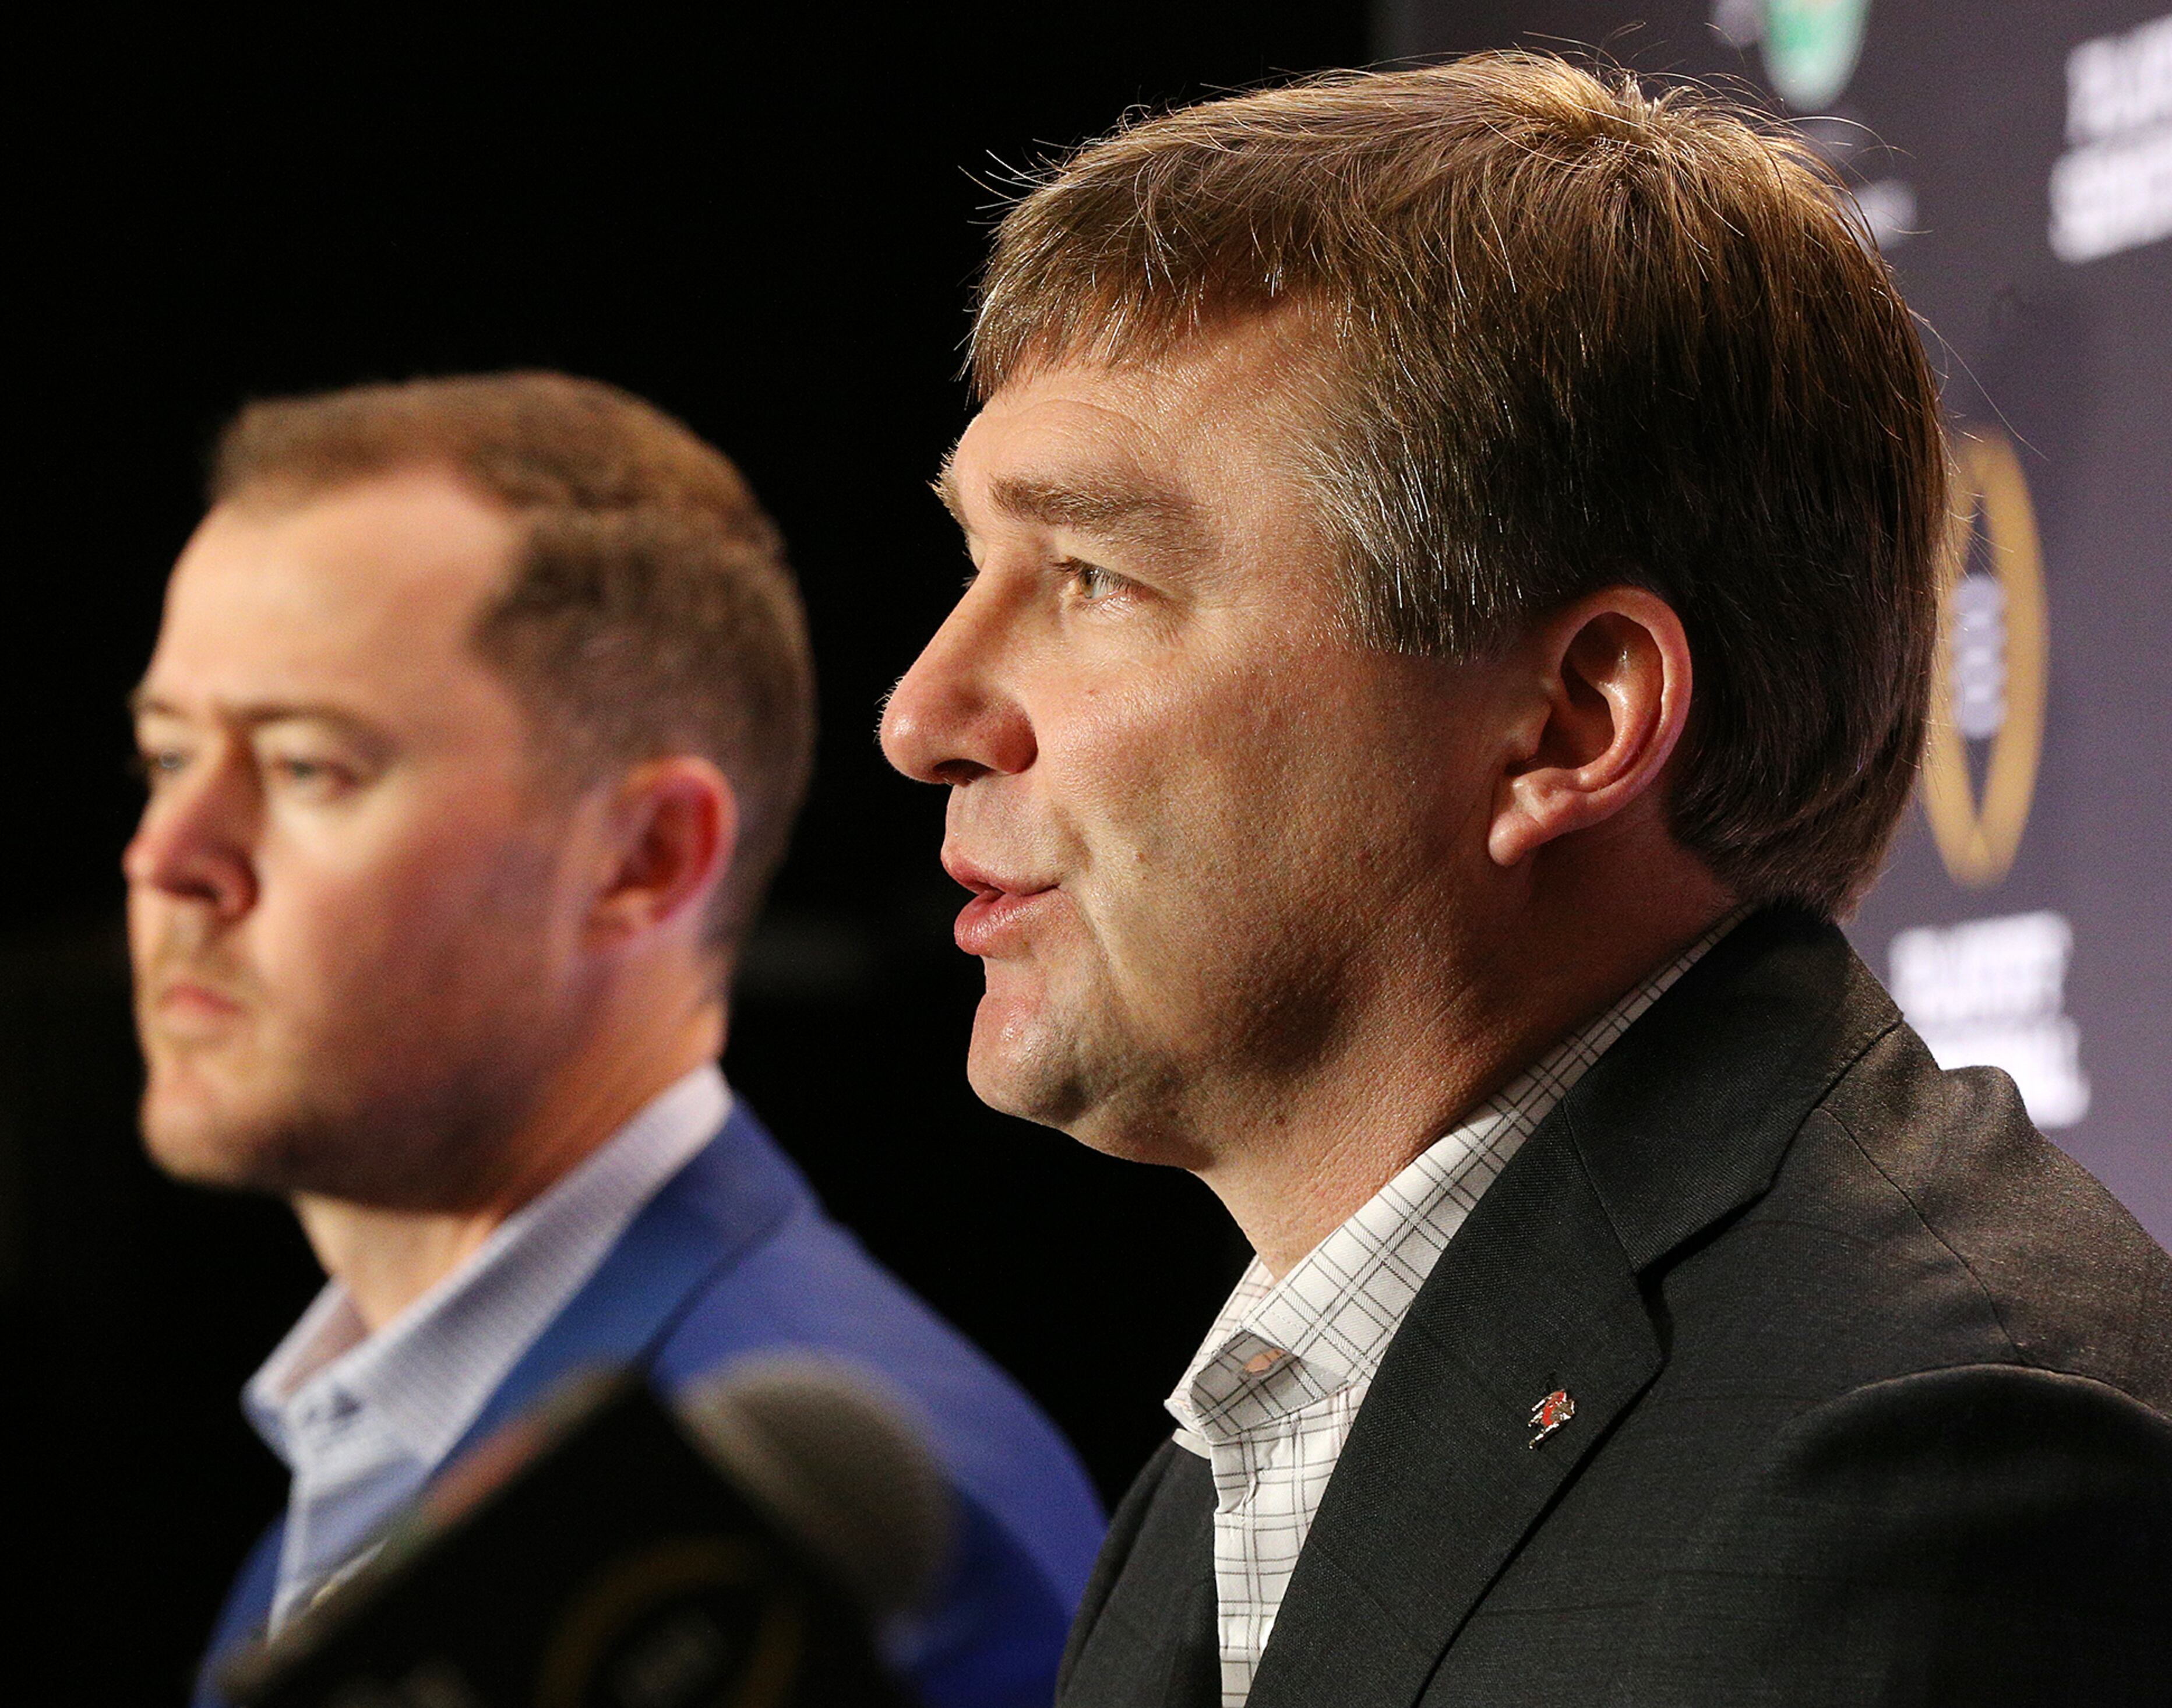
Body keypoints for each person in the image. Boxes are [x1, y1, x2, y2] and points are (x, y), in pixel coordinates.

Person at [877, 53, 2172, 1708]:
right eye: (971, 564)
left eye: (1094, 577)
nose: (925, 714)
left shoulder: (1924, 1461)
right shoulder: (1258, 1435)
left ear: (1571, 720)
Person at [127, 372, 1105, 1708]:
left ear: (644, 858)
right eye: (170, 757)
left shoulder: (859, 1526)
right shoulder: (358, 1454)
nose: (168, 857)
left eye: (309, 768)